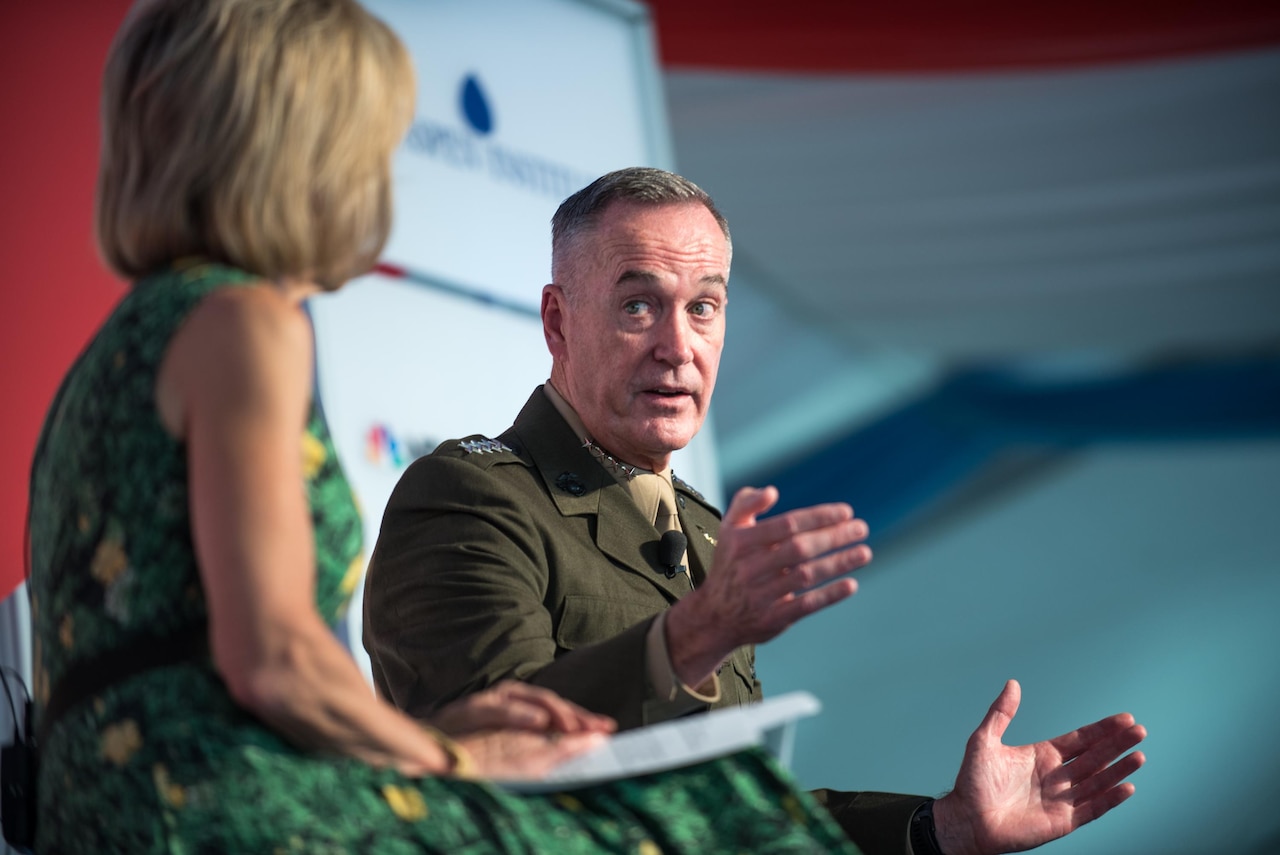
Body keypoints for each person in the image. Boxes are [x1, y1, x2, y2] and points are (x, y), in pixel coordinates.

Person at [26, 4, 866, 852]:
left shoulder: (121, 350)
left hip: (102, 803)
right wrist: (449, 757)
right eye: (370, 136)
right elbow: (276, 659)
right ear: (299, 145)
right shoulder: (245, 322)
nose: (384, 175)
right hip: (216, 804)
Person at [362, 167, 1149, 855]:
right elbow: (492, 752)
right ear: (559, 322)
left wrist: (940, 830)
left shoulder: (705, 530)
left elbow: (725, 818)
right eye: (640, 305)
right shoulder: (471, 494)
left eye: (704, 308)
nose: (679, 345)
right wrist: (696, 634)